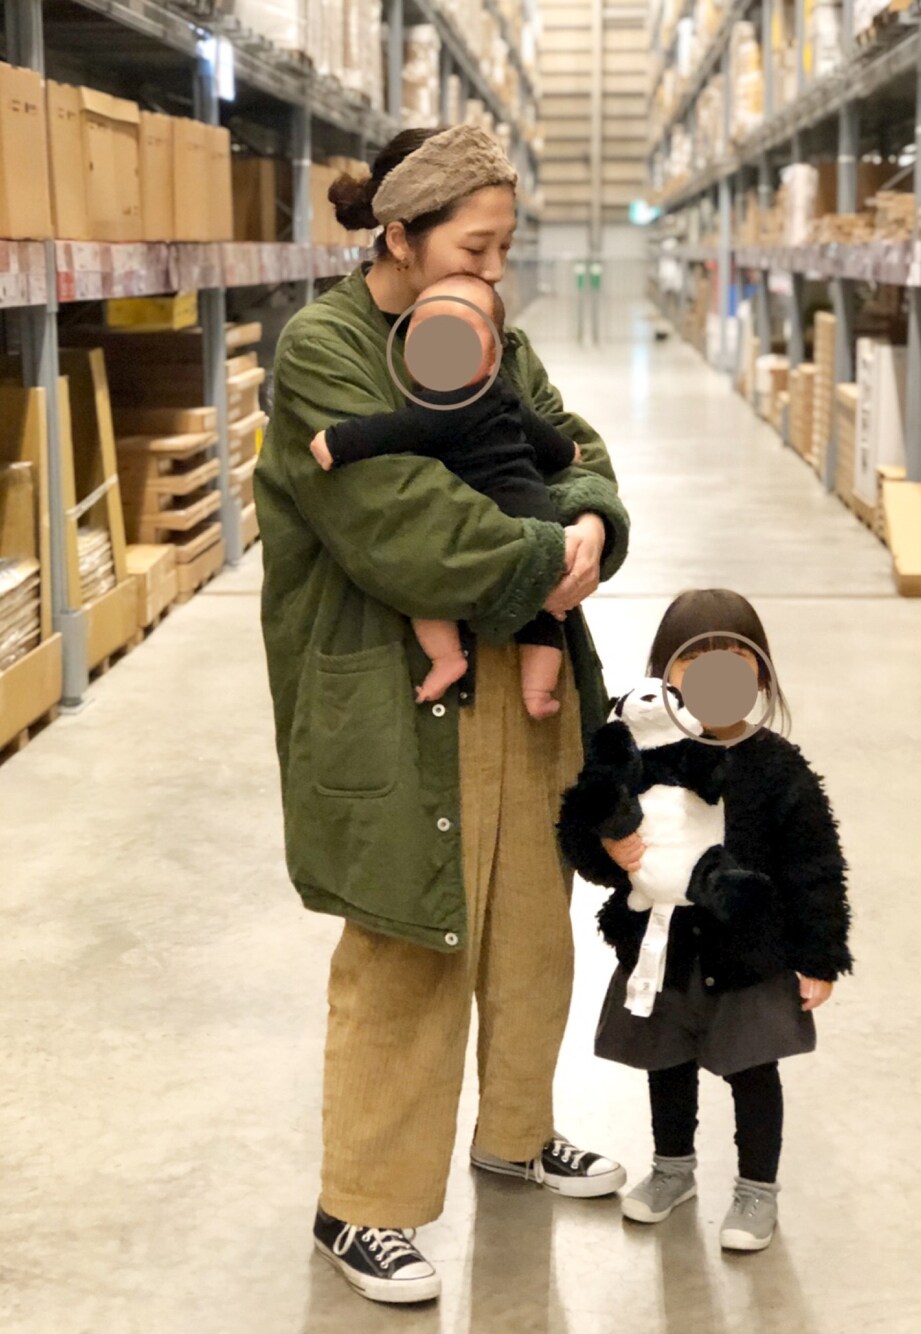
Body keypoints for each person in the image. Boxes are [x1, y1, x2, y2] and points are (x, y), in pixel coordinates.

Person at [253, 122, 631, 1307]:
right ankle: (360, 1205)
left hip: (522, 680)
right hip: (394, 693)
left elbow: (574, 446)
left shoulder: (490, 332)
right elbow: (402, 523)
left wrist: (591, 521)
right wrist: (549, 553)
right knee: (408, 946)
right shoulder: (324, 349)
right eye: (474, 247)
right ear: (400, 236)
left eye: (506, 247)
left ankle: (515, 1130)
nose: (494, 271)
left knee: (530, 927)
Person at [558, 589, 853, 1253]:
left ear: (761, 678)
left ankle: (756, 1189)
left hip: (750, 957)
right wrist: (607, 845)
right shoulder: (635, 756)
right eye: (697, 663)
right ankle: (673, 1168)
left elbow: (815, 865)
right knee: (666, 1063)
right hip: (666, 953)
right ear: (665, 678)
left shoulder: (777, 765)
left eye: (735, 663)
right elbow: (585, 831)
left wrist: (819, 955)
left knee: (753, 1071)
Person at [309, 272, 582, 720]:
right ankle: (537, 690)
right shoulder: (502, 395)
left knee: (424, 590)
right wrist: (568, 451)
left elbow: (394, 431)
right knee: (544, 617)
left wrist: (337, 442)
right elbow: (543, 437)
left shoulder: (444, 405)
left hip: (494, 520)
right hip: (536, 514)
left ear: (492, 357)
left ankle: (447, 657)